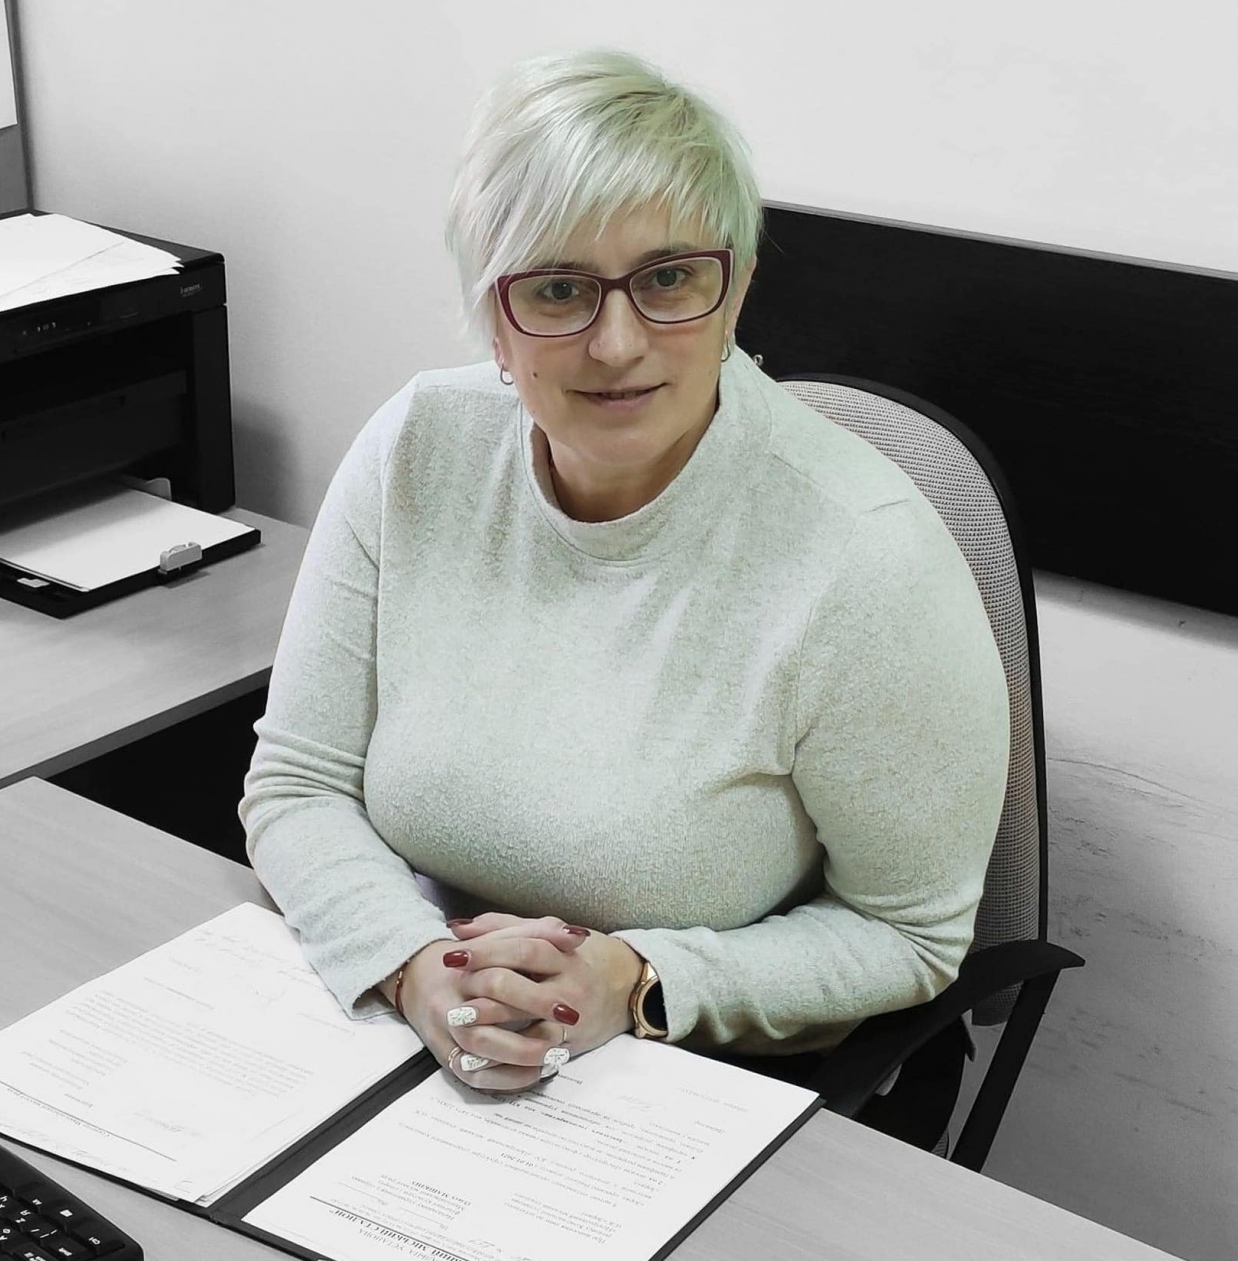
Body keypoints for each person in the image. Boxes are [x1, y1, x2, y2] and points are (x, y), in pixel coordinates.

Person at [239, 48, 1010, 1144]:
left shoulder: (863, 556)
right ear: (493, 317)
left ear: (736, 288)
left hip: (706, 1084)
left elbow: (910, 934)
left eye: (669, 279)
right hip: (416, 1039)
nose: (617, 342)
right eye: (558, 289)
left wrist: (634, 979)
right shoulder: (417, 449)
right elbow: (298, 782)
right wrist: (415, 965)